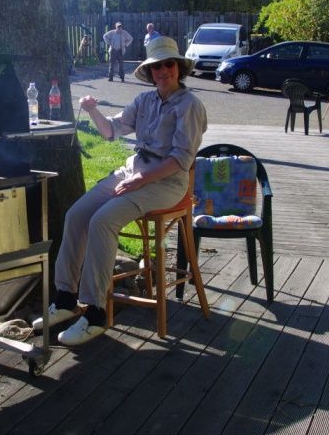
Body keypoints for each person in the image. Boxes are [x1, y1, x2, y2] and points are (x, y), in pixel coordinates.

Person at [33, 36, 207, 346]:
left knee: (103, 220)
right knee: (76, 215)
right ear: (150, 71)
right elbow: (112, 130)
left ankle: (96, 313)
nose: (162, 71)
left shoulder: (190, 105)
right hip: (134, 170)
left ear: (178, 68)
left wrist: (138, 182)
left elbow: (181, 159)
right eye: (156, 66)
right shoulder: (145, 101)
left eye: (168, 64)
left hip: (168, 183)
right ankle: (65, 298)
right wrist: (91, 111)